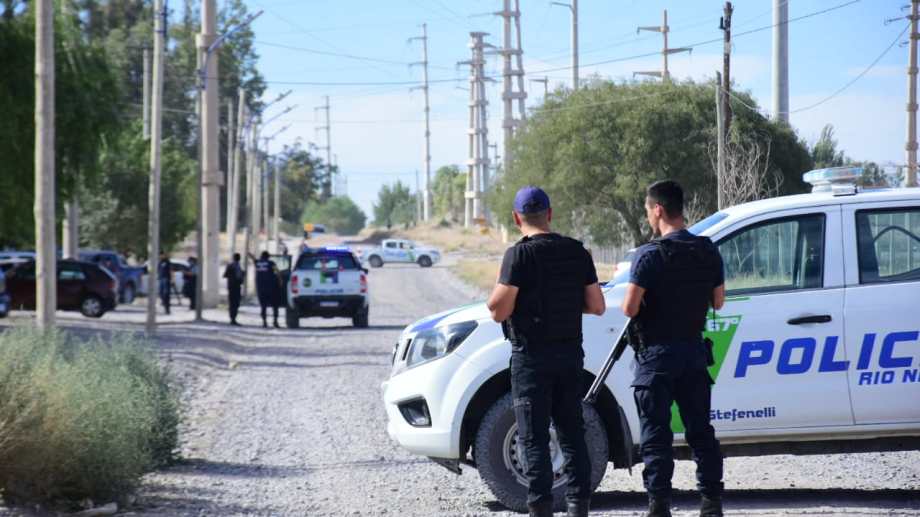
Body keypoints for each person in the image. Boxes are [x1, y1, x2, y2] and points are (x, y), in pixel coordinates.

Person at [486, 186, 606, 517]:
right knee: (572, 435)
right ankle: (578, 507)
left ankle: (540, 508)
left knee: (534, 439)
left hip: (531, 359)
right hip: (569, 357)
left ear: (516, 218)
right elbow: (597, 305)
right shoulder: (577, 252)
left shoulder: (518, 255)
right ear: (550, 214)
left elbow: (497, 310)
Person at [621, 180, 726, 517]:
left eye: (648, 211)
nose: (648, 217)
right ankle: (711, 503)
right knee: (701, 433)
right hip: (693, 355)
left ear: (658, 210)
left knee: (656, 436)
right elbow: (718, 302)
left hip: (656, 358)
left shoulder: (649, 255)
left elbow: (629, 308)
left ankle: (659, 506)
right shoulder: (707, 250)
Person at [250, 251, 281, 328]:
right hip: (271, 288)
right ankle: (275, 321)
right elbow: (277, 271)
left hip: (261, 288)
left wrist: (250, 254)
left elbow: (254, 259)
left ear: (262, 256)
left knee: (263, 306)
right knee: (275, 305)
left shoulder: (258, 263)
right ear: (268, 257)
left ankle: (264, 322)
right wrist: (280, 280)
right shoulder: (271, 263)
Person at [223, 253, 244, 326]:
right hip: (235, 286)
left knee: (233, 303)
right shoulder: (236, 266)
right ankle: (233, 319)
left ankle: (232, 318)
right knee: (235, 303)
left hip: (232, 286)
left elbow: (225, 275)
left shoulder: (231, 265)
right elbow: (238, 278)